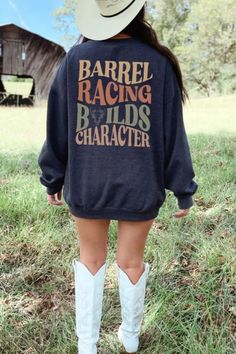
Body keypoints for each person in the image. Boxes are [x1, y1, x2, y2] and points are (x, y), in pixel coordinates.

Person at [37, 0, 198, 353]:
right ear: (137, 13)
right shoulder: (159, 63)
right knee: (131, 262)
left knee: (90, 261)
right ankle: (130, 338)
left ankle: (88, 345)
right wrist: (183, 189)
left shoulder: (74, 60)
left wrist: (53, 177)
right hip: (141, 183)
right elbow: (173, 134)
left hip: (87, 181)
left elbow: (58, 129)